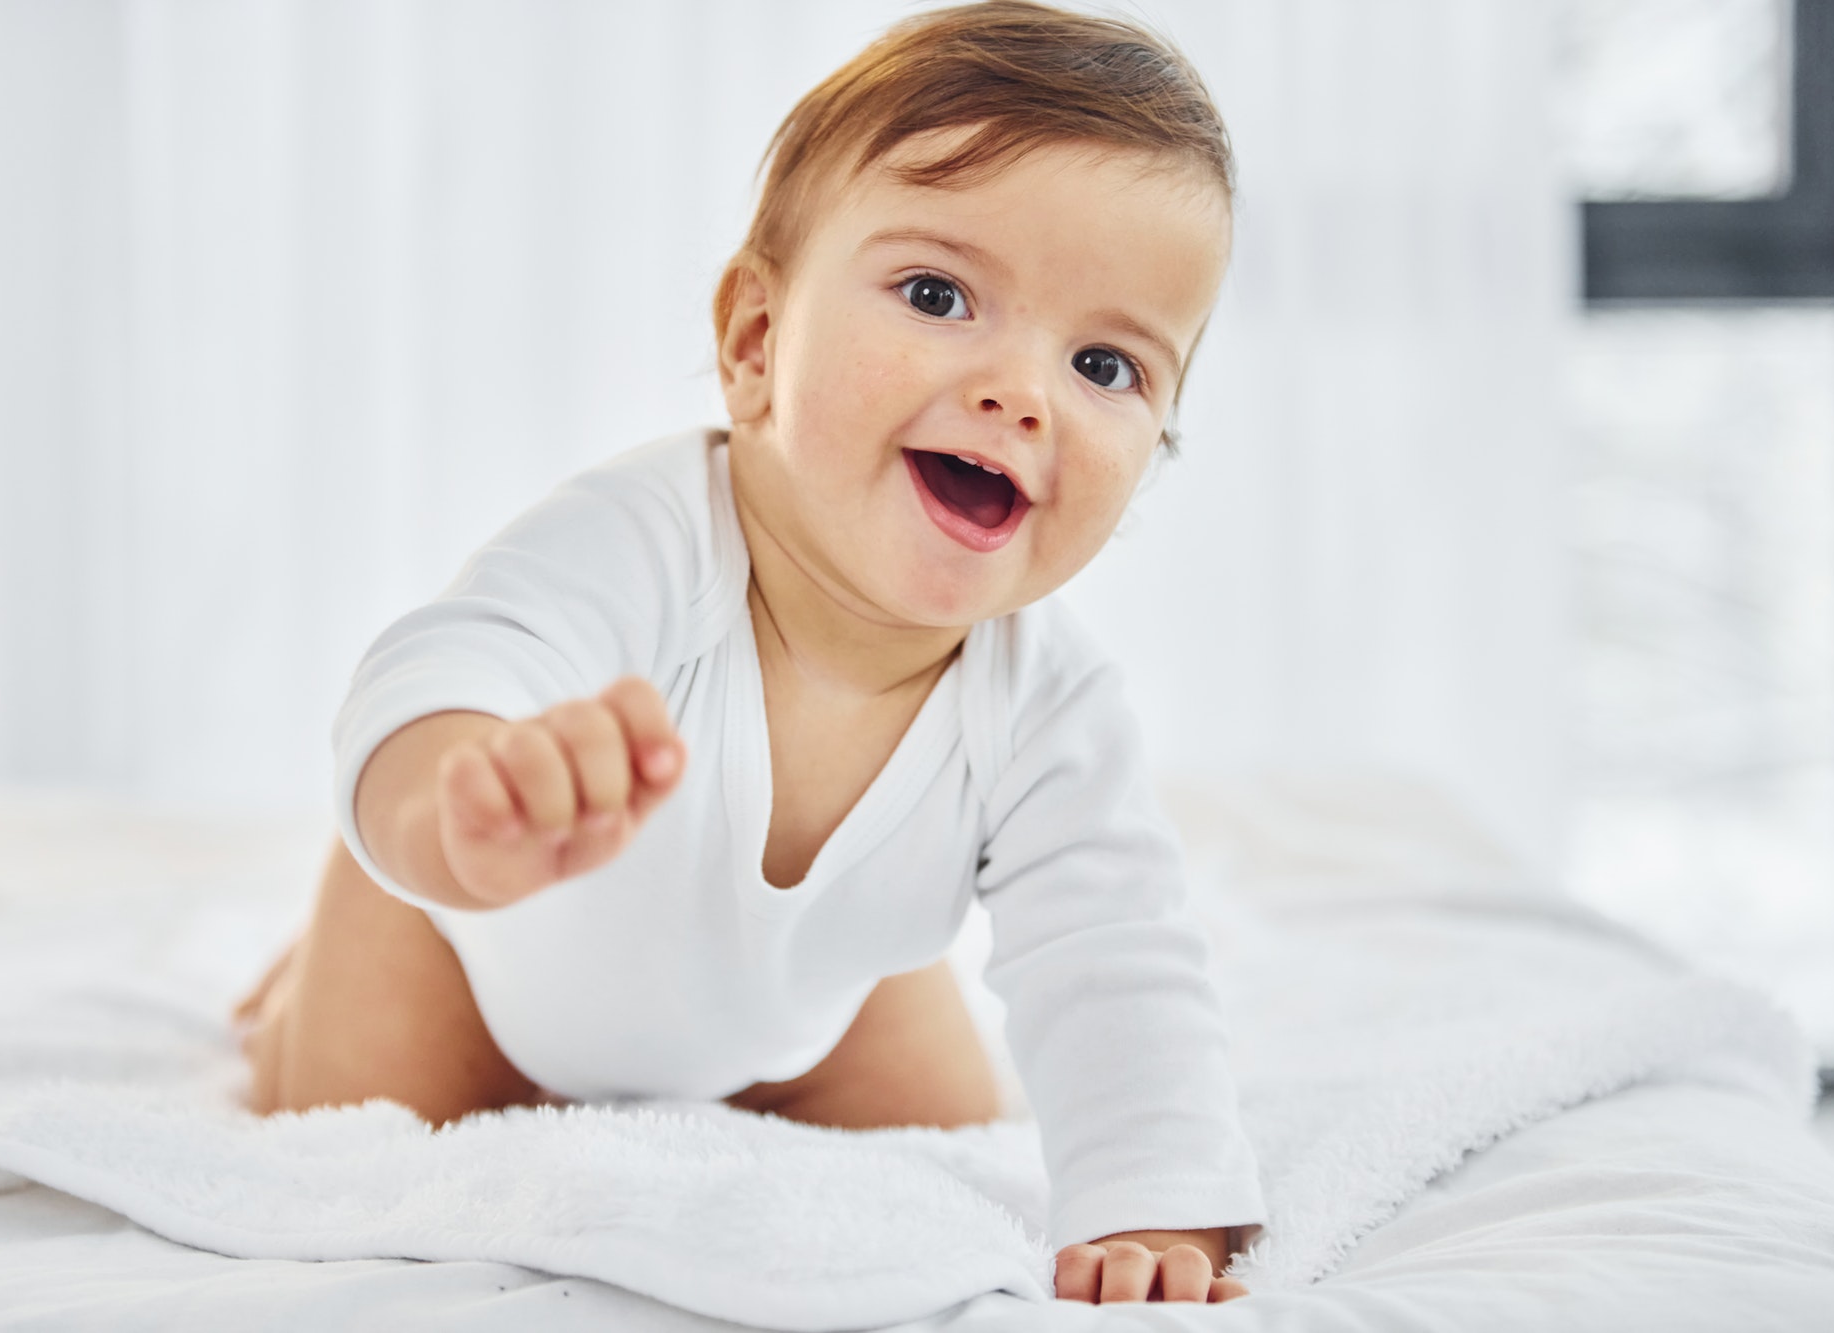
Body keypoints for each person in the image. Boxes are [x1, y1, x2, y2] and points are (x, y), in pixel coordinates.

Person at [233, 0, 1263, 1306]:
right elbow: (453, 661)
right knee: (333, 1112)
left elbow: (1118, 954)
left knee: (950, 1111)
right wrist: (465, 795)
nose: (1025, 391)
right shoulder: (650, 541)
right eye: (939, 294)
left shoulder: (1048, 705)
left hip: (797, 1023)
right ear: (758, 344)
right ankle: (290, 985)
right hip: (483, 967)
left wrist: (1159, 1195)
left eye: (1106, 363)